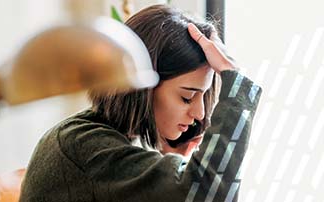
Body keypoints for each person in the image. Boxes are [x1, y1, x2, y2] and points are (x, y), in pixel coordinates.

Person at [19, 4, 262, 202]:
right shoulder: (82, 146)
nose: (199, 113)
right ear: (143, 89)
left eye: (202, 96)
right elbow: (208, 195)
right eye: (186, 97)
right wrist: (238, 86)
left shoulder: (102, 139)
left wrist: (170, 165)